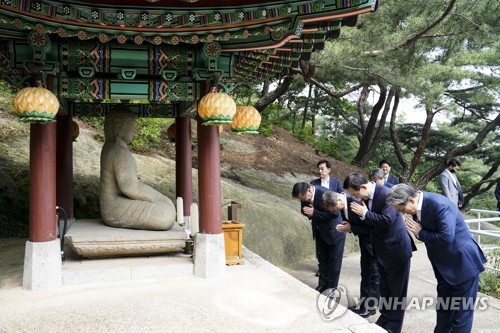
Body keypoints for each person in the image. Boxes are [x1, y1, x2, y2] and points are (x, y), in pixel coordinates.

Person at [387, 184, 486, 333]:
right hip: (443, 267)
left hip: (462, 263)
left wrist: (421, 233)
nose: (402, 214)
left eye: (401, 210)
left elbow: (446, 236)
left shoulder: (439, 204)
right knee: (444, 310)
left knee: (461, 314)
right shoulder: (417, 206)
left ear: (410, 200)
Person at [343, 172, 415, 333]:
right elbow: (370, 225)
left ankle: (394, 327)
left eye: (355, 194)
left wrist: (365, 214)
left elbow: (387, 220)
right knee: (385, 288)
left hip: (396, 250)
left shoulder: (386, 194)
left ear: (362, 187)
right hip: (380, 250)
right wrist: (353, 226)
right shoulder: (366, 198)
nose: (354, 198)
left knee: (397, 292)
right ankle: (385, 319)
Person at [100, 108, 176, 231]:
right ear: (120, 126)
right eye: (131, 126)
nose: (133, 131)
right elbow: (130, 187)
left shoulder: (109, 147)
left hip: (110, 206)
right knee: (165, 213)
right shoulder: (118, 152)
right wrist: (161, 198)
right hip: (114, 209)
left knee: (165, 209)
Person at [322, 191, 380, 318]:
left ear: (338, 201)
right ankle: (364, 305)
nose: (333, 211)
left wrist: (351, 228)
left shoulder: (356, 203)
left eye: (333, 208)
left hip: (374, 244)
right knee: (365, 274)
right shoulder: (344, 205)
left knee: (374, 276)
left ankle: (370, 308)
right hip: (365, 244)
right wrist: (349, 226)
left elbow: (372, 227)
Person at [292, 182, 346, 292]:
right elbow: (305, 210)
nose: (304, 201)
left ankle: (331, 288)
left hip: (334, 232)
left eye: (304, 198)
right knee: (322, 260)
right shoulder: (304, 196)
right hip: (319, 231)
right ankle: (322, 285)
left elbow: (335, 214)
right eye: (301, 200)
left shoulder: (325, 193)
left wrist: (315, 212)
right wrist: (309, 212)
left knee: (334, 262)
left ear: (309, 190)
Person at [310, 160, 343, 277]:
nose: (320, 171)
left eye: (322, 169)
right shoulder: (313, 184)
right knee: (320, 248)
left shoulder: (336, 183)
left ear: (329, 169)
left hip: (333, 221)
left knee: (332, 248)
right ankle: (321, 268)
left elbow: (341, 201)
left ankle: (330, 270)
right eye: (318, 169)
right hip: (319, 221)